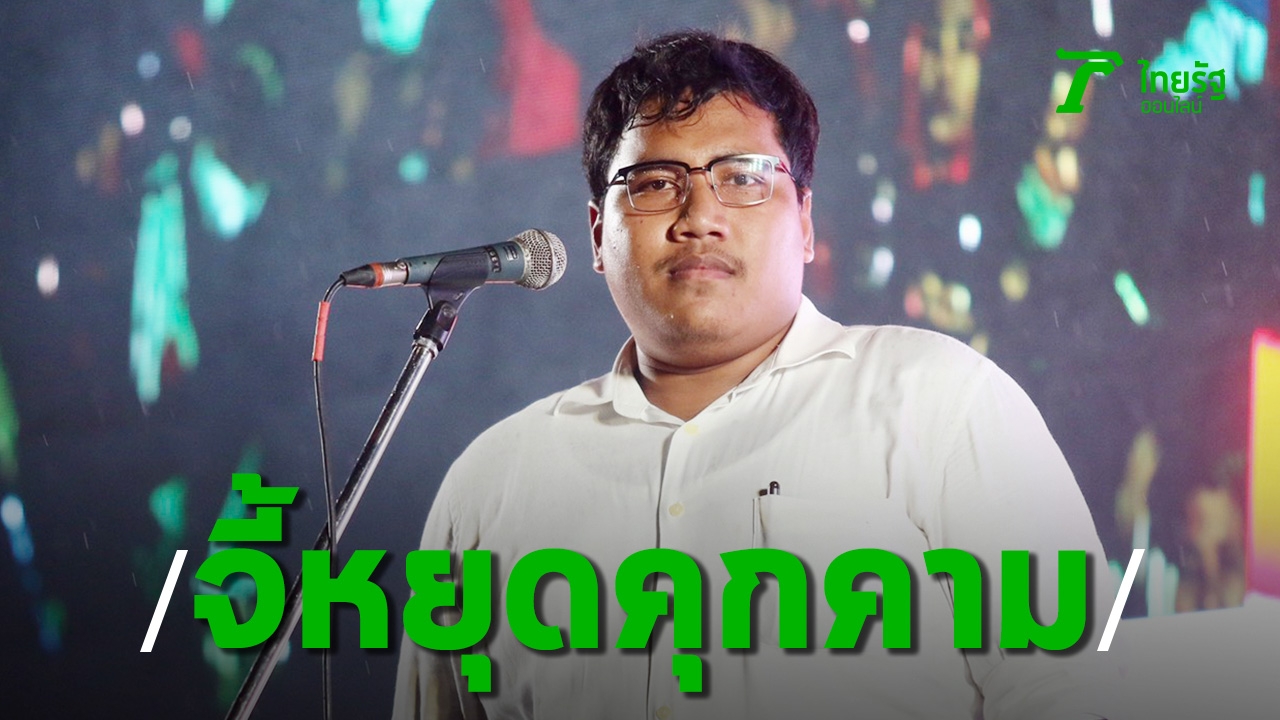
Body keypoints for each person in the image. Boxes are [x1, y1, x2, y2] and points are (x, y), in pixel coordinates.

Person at [393, 30, 1114, 720]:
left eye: (742, 178)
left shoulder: (940, 403)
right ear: (598, 235)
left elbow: (1076, 697)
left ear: (805, 222)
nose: (699, 217)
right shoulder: (494, 483)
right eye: (655, 182)